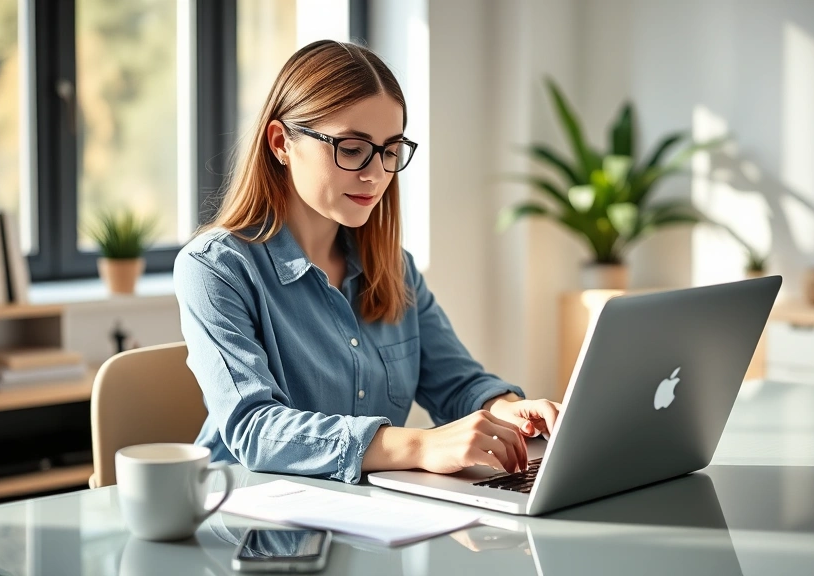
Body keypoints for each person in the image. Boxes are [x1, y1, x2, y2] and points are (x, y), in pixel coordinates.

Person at [174, 40, 560, 484]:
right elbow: (255, 429)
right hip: (250, 524)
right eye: (352, 149)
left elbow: (456, 384)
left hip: (370, 521)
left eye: (390, 150)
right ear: (281, 143)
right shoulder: (215, 269)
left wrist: (507, 410)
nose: (375, 174)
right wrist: (420, 444)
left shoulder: (394, 267)